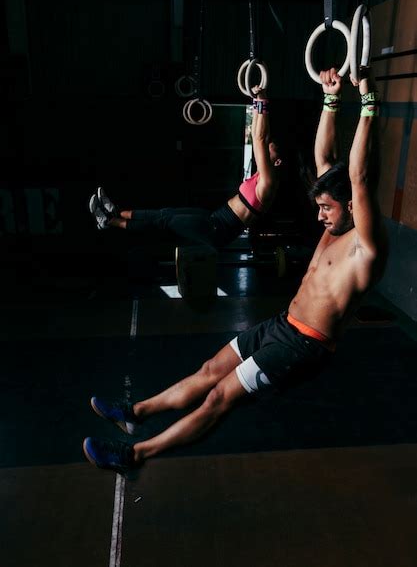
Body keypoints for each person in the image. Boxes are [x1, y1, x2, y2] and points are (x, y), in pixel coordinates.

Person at [83, 67, 388, 474]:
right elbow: (326, 159)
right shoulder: (337, 217)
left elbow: (359, 175)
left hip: (304, 347)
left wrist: (368, 101)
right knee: (209, 371)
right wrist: (331, 99)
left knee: (218, 398)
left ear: (353, 206)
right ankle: (135, 411)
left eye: (326, 208)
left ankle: (134, 455)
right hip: (283, 324)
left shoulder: (366, 246)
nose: (319, 216)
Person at [88, 87, 281, 249]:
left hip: (217, 231)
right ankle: (115, 210)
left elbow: (259, 138)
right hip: (214, 217)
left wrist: (262, 101)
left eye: (272, 148)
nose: (268, 145)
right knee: (165, 212)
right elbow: (263, 135)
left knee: (164, 223)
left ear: (277, 161)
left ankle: (108, 222)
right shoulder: (261, 175)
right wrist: (256, 101)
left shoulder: (268, 183)